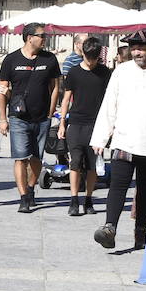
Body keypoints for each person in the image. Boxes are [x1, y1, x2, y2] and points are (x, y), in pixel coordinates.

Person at [90, 28, 146, 250]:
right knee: (118, 185)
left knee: (145, 190)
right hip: (124, 139)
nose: (136, 52)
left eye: (141, 48)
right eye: (133, 48)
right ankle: (109, 227)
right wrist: (100, 137)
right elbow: (109, 104)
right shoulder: (121, 71)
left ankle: (140, 232)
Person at [0, 22, 62, 213]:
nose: (45, 39)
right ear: (29, 37)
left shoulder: (50, 60)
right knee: (20, 158)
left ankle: (31, 189)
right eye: (42, 36)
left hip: (42, 118)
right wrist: (3, 118)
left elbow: (55, 87)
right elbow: (2, 90)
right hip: (18, 117)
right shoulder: (11, 60)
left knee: (36, 159)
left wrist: (51, 113)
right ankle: (23, 197)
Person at [57, 36, 111, 216]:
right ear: (83, 53)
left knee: (92, 165)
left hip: (97, 124)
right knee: (75, 162)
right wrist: (62, 122)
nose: (91, 61)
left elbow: (111, 99)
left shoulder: (105, 73)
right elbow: (65, 100)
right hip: (77, 122)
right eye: (88, 57)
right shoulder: (73, 73)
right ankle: (74, 200)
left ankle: (88, 199)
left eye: (94, 58)